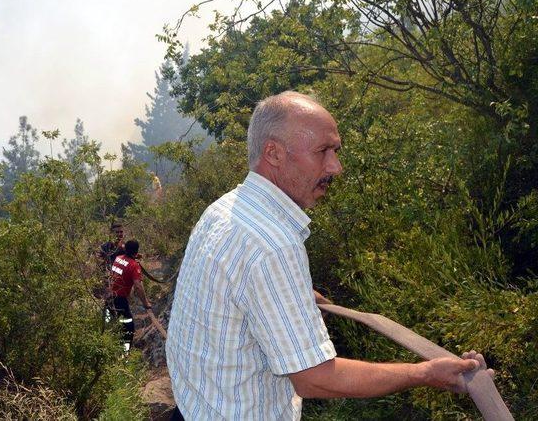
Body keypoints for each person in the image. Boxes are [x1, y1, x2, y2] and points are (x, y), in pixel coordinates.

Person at [165, 91, 493, 420]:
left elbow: (230, 292)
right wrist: (424, 373)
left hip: (193, 408)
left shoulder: (223, 211)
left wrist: (293, 299)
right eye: (322, 151)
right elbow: (315, 379)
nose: (335, 167)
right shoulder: (273, 245)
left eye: (335, 151)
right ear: (274, 153)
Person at [107, 239, 152, 351]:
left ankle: (112, 346)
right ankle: (124, 353)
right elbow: (138, 286)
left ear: (125, 249)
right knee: (128, 328)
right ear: (136, 252)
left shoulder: (118, 258)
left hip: (109, 297)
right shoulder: (133, 266)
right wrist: (146, 303)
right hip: (119, 300)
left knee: (114, 324)